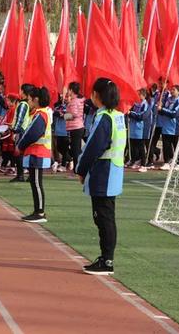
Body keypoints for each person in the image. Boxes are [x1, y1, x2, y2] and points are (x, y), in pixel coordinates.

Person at [76, 78, 126, 275]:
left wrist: (81, 169)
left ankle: (107, 260)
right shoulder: (118, 116)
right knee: (106, 217)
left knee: (103, 217)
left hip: (104, 173)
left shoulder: (104, 117)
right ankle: (106, 258)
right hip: (113, 171)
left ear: (98, 95)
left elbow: (92, 147)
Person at [16, 86, 52, 223]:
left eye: (30, 99)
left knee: (36, 183)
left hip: (38, 153)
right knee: (35, 182)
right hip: (36, 153)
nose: (28, 102)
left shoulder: (41, 114)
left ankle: (40, 212)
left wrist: (20, 145)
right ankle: (38, 210)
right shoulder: (40, 113)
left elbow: (31, 134)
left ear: (36, 99)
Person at [157, 85, 179, 170]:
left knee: (177, 145)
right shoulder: (168, 100)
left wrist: (162, 109)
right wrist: (160, 109)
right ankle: (167, 162)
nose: (172, 91)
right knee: (166, 146)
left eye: (174, 89)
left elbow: (174, 113)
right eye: (171, 89)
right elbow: (164, 112)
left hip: (176, 128)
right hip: (166, 127)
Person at [10, 83, 34, 182]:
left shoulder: (23, 104)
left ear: (24, 92)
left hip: (21, 130)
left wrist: (14, 130)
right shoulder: (27, 104)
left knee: (19, 153)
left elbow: (20, 118)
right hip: (24, 130)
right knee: (23, 154)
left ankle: (20, 175)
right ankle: (27, 174)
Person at [128, 89, 151, 169]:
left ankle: (143, 164)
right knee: (133, 146)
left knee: (141, 147)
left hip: (141, 129)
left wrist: (131, 113)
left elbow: (142, 116)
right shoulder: (135, 103)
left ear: (143, 95)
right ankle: (134, 161)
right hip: (133, 128)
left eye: (138, 94)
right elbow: (130, 111)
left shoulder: (146, 104)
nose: (137, 96)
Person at [65, 82, 85, 173]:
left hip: (75, 127)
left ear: (72, 90)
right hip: (78, 126)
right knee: (75, 149)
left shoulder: (74, 101)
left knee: (75, 149)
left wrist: (64, 116)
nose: (68, 91)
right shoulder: (78, 100)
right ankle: (77, 167)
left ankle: (77, 169)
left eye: (69, 89)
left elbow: (74, 114)